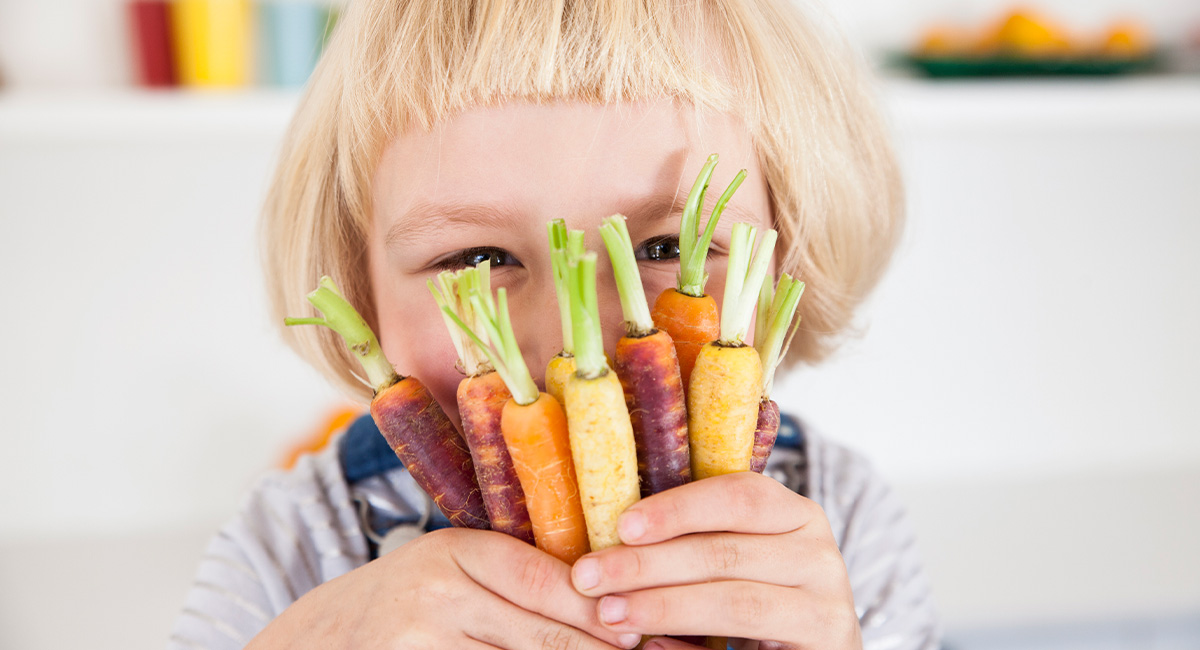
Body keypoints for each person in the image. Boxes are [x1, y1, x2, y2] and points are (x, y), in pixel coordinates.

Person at [169, 1, 940, 648]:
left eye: (667, 247)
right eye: (476, 258)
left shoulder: (837, 519)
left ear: (784, 264)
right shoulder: (301, 538)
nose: (576, 341)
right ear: (361, 295)